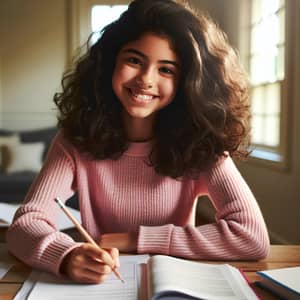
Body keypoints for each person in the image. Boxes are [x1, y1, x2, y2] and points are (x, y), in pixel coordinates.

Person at [6, 0, 270, 284]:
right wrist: (67, 255)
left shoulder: (201, 142)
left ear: (187, 82)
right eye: (134, 60)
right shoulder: (74, 140)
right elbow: (25, 224)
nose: (145, 79)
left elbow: (252, 237)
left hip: (174, 285)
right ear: (110, 63)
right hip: (96, 288)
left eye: (166, 69)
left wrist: (135, 239)